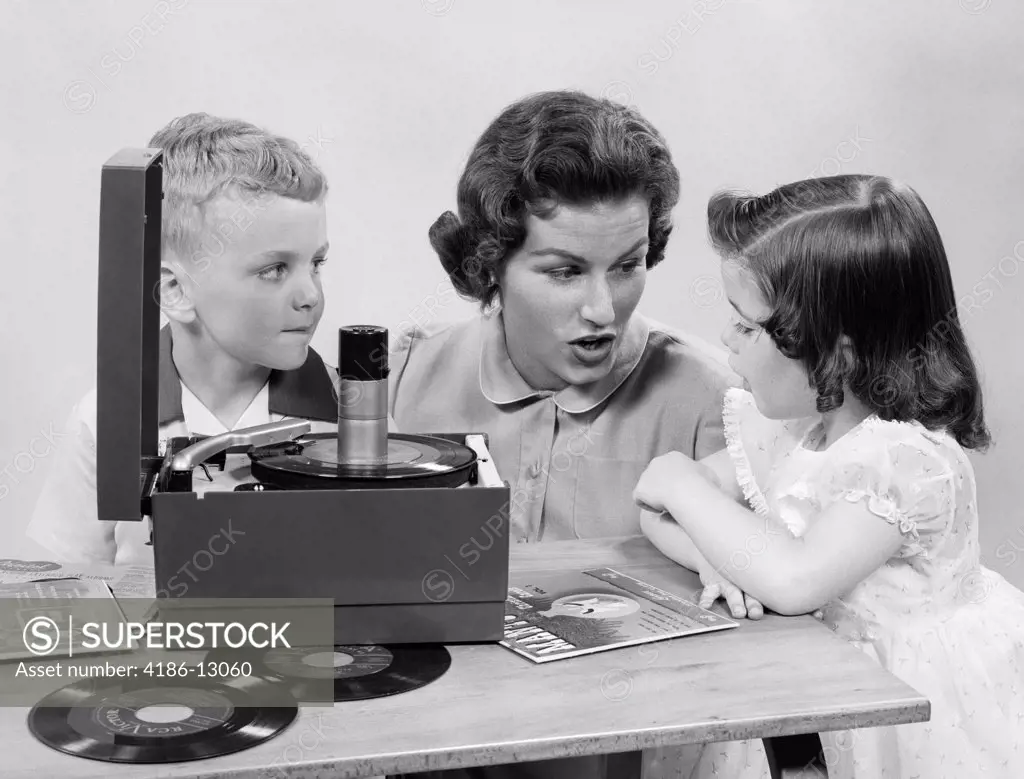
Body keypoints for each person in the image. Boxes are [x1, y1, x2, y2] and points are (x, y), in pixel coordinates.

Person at [386, 90, 745, 779]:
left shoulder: (714, 402)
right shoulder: (402, 378)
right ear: (489, 266)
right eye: (564, 271)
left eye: (627, 265)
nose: (601, 309)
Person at [634, 174, 1024, 778]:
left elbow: (792, 580)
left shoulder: (906, 463)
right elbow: (652, 510)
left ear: (836, 354)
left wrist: (677, 481)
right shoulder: (794, 430)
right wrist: (717, 558)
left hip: (901, 724)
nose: (724, 338)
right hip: (811, 695)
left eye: (746, 324)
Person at [27, 112, 340, 567]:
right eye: (274, 270)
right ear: (174, 290)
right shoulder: (106, 421)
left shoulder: (353, 414)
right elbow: (73, 591)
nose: (311, 296)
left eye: (316, 263)